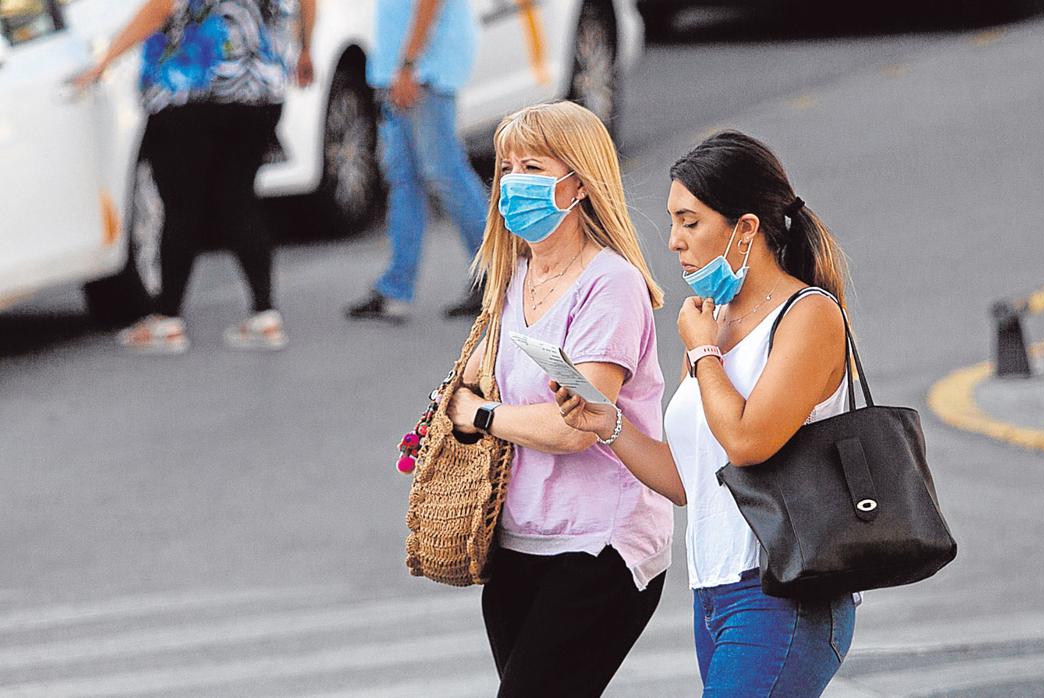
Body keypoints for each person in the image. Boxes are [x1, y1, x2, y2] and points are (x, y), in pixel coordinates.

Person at [552, 130, 858, 696]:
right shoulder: (715, 321)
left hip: (784, 592)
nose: (673, 241)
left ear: (745, 228)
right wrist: (608, 424)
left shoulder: (808, 315)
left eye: (690, 222)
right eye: (673, 222)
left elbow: (747, 442)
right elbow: (689, 481)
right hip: (714, 591)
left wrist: (702, 352)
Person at [443, 101, 672, 696]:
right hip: (517, 539)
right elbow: (472, 382)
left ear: (580, 184)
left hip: (601, 544)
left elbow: (574, 427)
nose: (515, 182)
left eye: (535, 168)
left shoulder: (609, 284)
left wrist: (482, 415)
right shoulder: (514, 272)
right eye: (508, 167)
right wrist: (471, 405)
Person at [74, 0, 316, 353]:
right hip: (259, 89)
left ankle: (167, 318)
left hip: (189, 89)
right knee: (239, 200)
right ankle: (265, 314)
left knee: (181, 205)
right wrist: (305, 49)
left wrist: (104, 61)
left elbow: (160, 8)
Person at [345, 0, 488, 323]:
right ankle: (396, 287)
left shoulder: (415, 66)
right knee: (405, 178)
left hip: (422, 69)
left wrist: (410, 64)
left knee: (444, 172)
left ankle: (496, 272)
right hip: (404, 69)